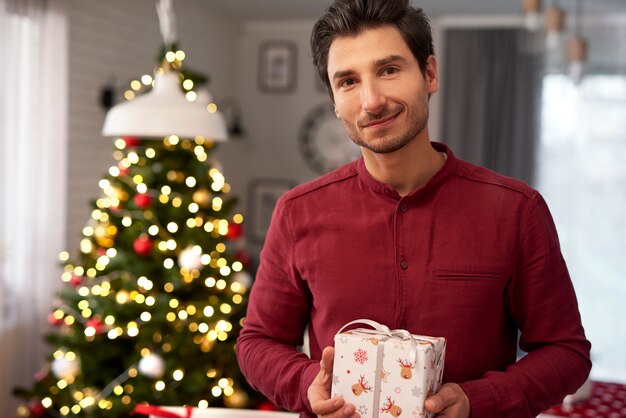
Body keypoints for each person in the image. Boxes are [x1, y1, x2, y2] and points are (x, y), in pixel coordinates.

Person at [236, 0, 591, 417]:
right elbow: (257, 342)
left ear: (429, 74)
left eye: (389, 70)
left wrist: (478, 401)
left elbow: (566, 352)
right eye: (348, 81)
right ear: (334, 99)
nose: (371, 101)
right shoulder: (297, 213)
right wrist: (305, 384)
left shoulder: (517, 210)